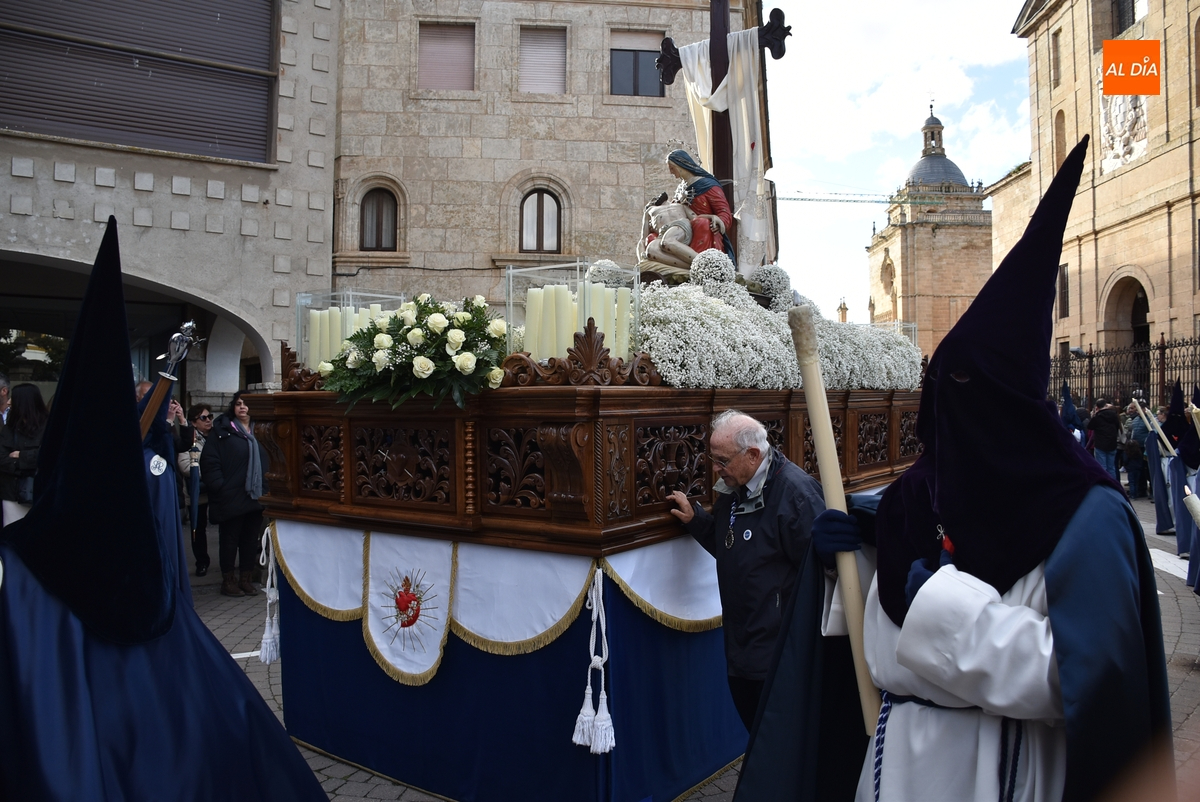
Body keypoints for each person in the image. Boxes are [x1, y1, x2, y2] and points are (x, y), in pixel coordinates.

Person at [812, 137, 1172, 802]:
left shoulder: (1086, 519)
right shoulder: (916, 495)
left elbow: (1083, 680)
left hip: (999, 770)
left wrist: (943, 607)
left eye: (967, 389)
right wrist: (850, 563)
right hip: (896, 765)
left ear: (1007, 405)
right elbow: (876, 643)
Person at [666, 410, 825, 730]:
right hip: (742, 647)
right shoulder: (734, 486)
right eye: (713, 458)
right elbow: (732, 547)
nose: (715, 468)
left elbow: (821, 573)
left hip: (780, 653)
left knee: (777, 739)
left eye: (722, 460)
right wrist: (697, 521)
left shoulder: (796, 495)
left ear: (752, 455)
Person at [201, 390, 269, 598]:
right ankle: (228, 581)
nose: (242, 407)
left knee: (250, 540)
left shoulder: (261, 430)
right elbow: (209, 460)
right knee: (230, 540)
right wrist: (220, 486)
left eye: (246, 404)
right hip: (230, 495)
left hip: (255, 495)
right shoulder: (223, 430)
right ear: (233, 406)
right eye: (239, 403)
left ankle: (245, 579)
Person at [0, 383, 49, 525]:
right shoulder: (9, 429)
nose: (9, 402)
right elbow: (2, 459)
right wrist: (29, 464)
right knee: (12, 534)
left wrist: (21, 456)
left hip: (42, 492)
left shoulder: (49, 426)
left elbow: (49, 455)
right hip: (12, 495)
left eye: (13, 398)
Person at [179, 403, 213, 576]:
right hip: (197, 492)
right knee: (198, 529)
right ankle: (202, 562)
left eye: (210, 417)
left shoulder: (217, 436)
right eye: (203, 418)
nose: (208, 420)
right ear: (193, 422)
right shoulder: (189, 438)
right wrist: (211, 472)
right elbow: (186, 466)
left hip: (217, 489)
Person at [1087, 396, 1120, 481]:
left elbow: (1090, 426)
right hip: (1112, 443)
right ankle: (1113, 484)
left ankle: (1105, 484)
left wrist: (1094, 414)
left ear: (1097, 407)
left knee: (1102, 467)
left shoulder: (1098, 417)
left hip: (1100, 444)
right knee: (1111, 467)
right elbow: (1117, 427)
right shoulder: (1114, 415)